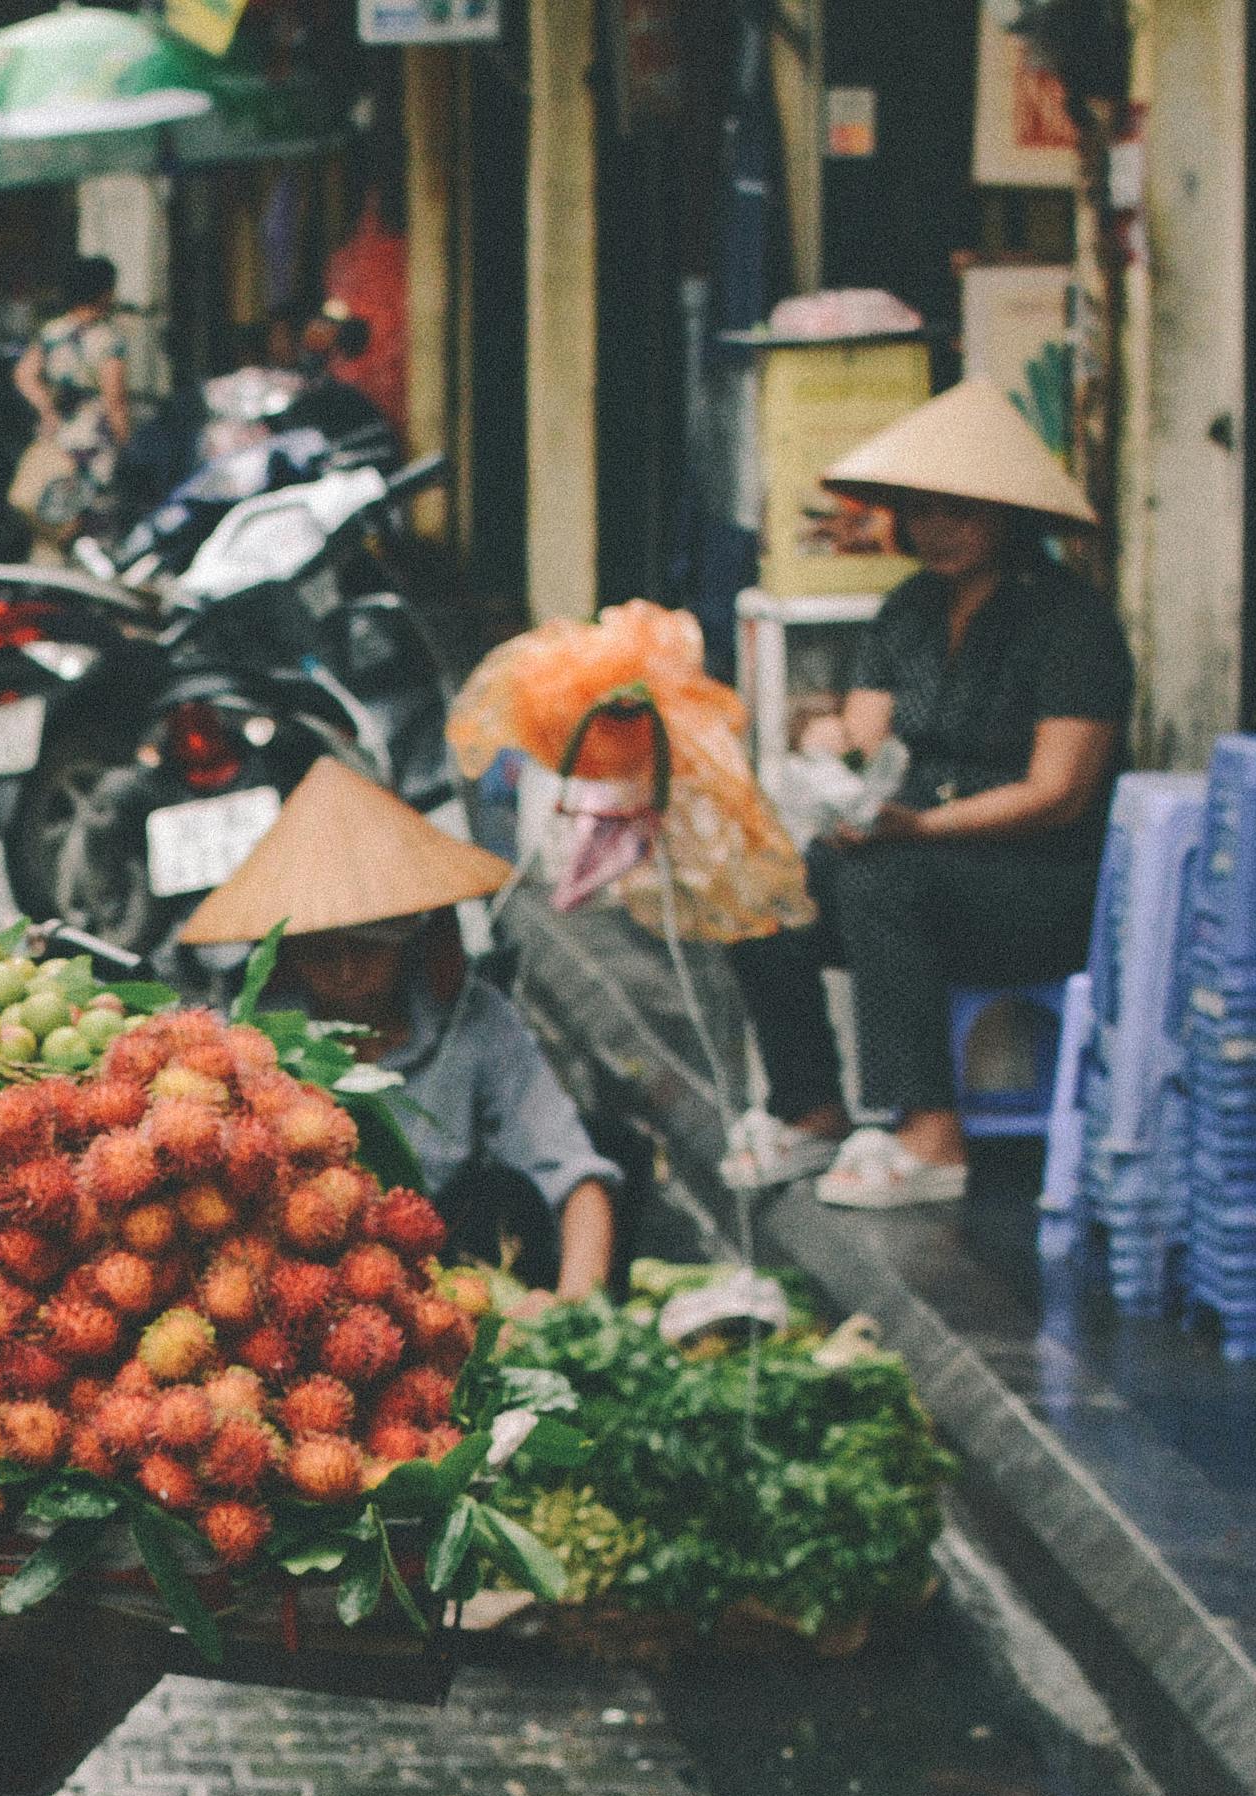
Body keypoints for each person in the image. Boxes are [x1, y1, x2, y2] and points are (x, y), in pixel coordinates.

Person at [718, 383, 1127, 1210]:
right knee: (758, 889)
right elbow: (866, 735)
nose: (936, 529)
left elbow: (1060, 793)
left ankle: (929, 1135)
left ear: (1008, 517)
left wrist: (926, 825)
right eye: (922, 510)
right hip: (917, 858)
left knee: (884, 882)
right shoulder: (909, 610)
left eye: (960, 511)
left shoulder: (1071, 622)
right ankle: (810, 1107)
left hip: (1043, 882)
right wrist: (831, 752)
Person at [179, 762, 620, 1299]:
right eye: (320, 950)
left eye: (367, 945)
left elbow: (571, 1170)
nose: (343, 968)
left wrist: (577, 1312)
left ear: (411, 937)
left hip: (448, 1268)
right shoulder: (253, 1037)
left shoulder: (473, 1019)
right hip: (302, 1282)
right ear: (287, 952)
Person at [9, 258, 132, 558]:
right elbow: (114, 400)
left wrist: (47, 409)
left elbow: (24, 374)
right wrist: (127, 443)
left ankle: (47, 576)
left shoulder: (53, 332)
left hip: (56, 436)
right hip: (91, 442)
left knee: (50, 510)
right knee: (92, 518)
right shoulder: (108, 340)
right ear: (104, 293)